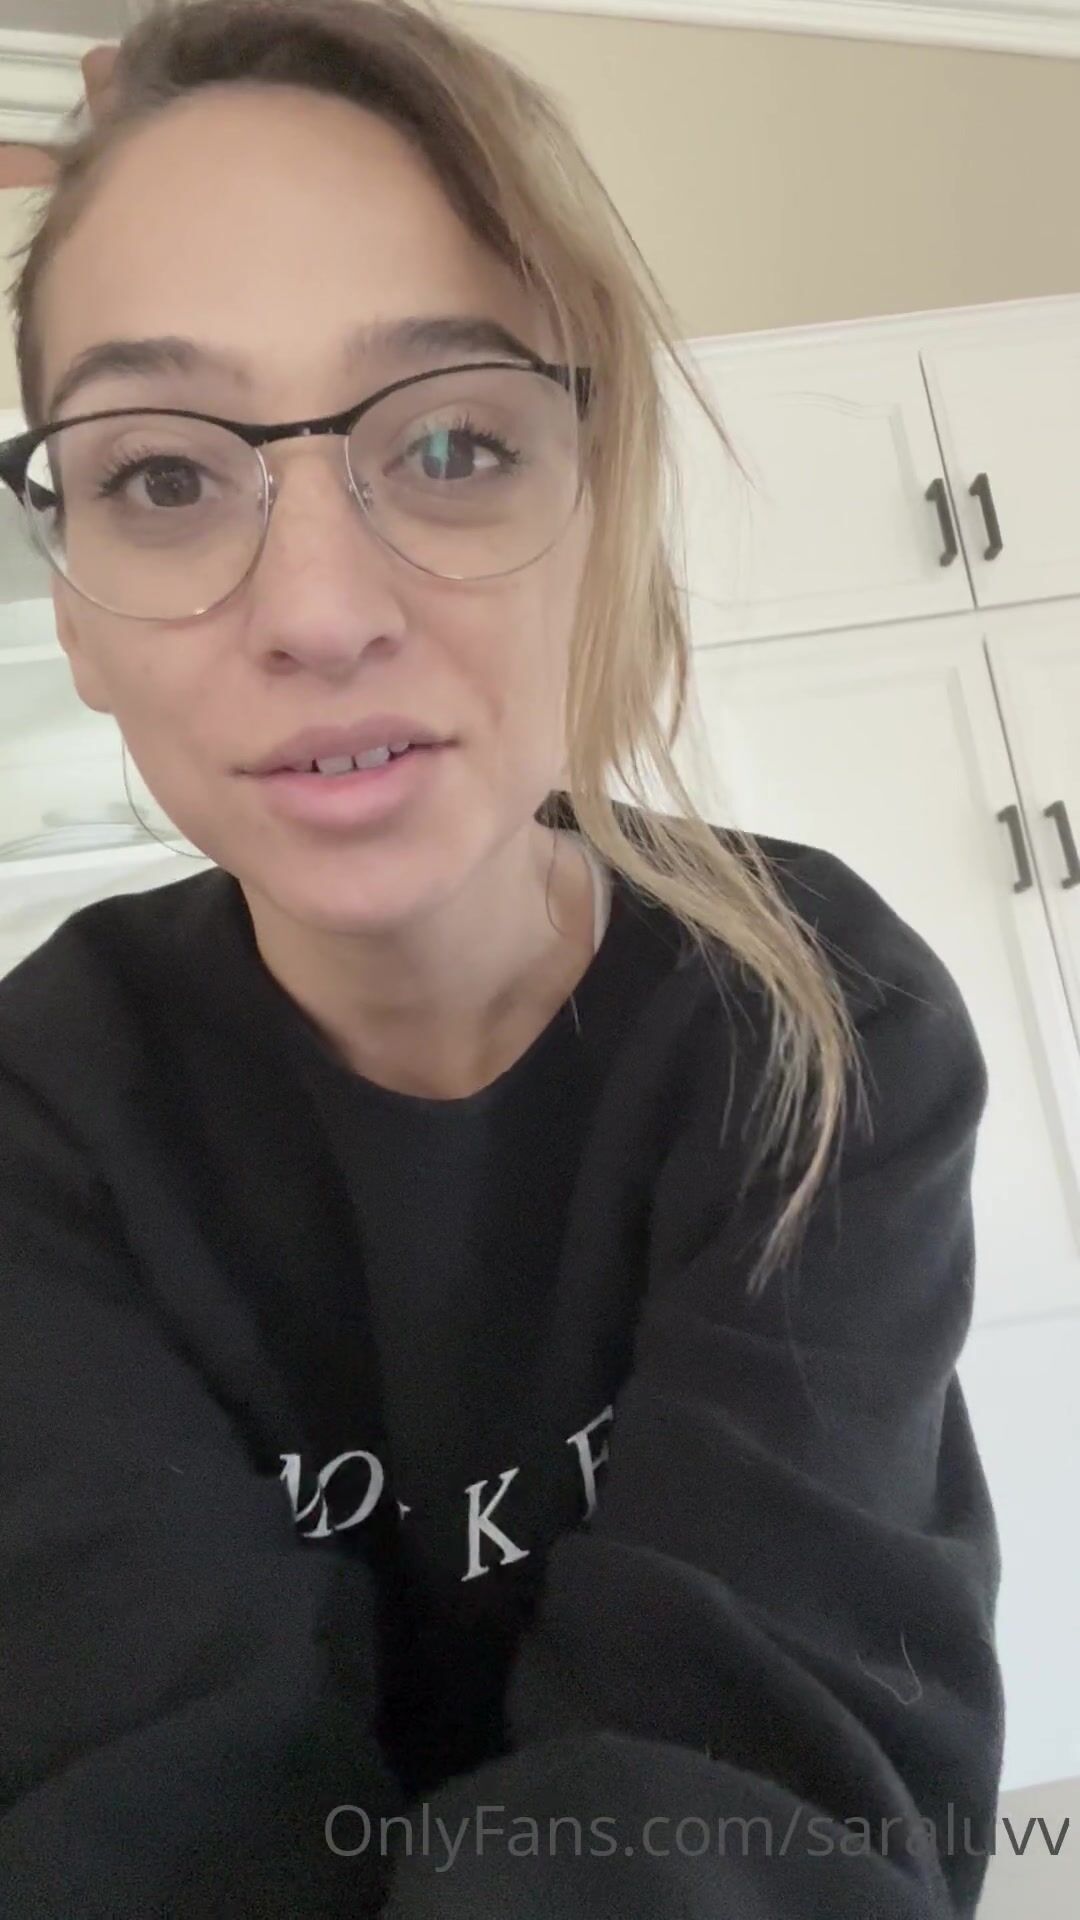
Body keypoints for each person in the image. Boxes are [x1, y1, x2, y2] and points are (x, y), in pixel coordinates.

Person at [0, 2, 1004, 1914]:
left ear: (596, 506)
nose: (317, 613)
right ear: (75, 614)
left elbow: (750, 1789)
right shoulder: (34, 1128)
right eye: (163, 479)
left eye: (454, 443)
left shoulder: (815, 1017)